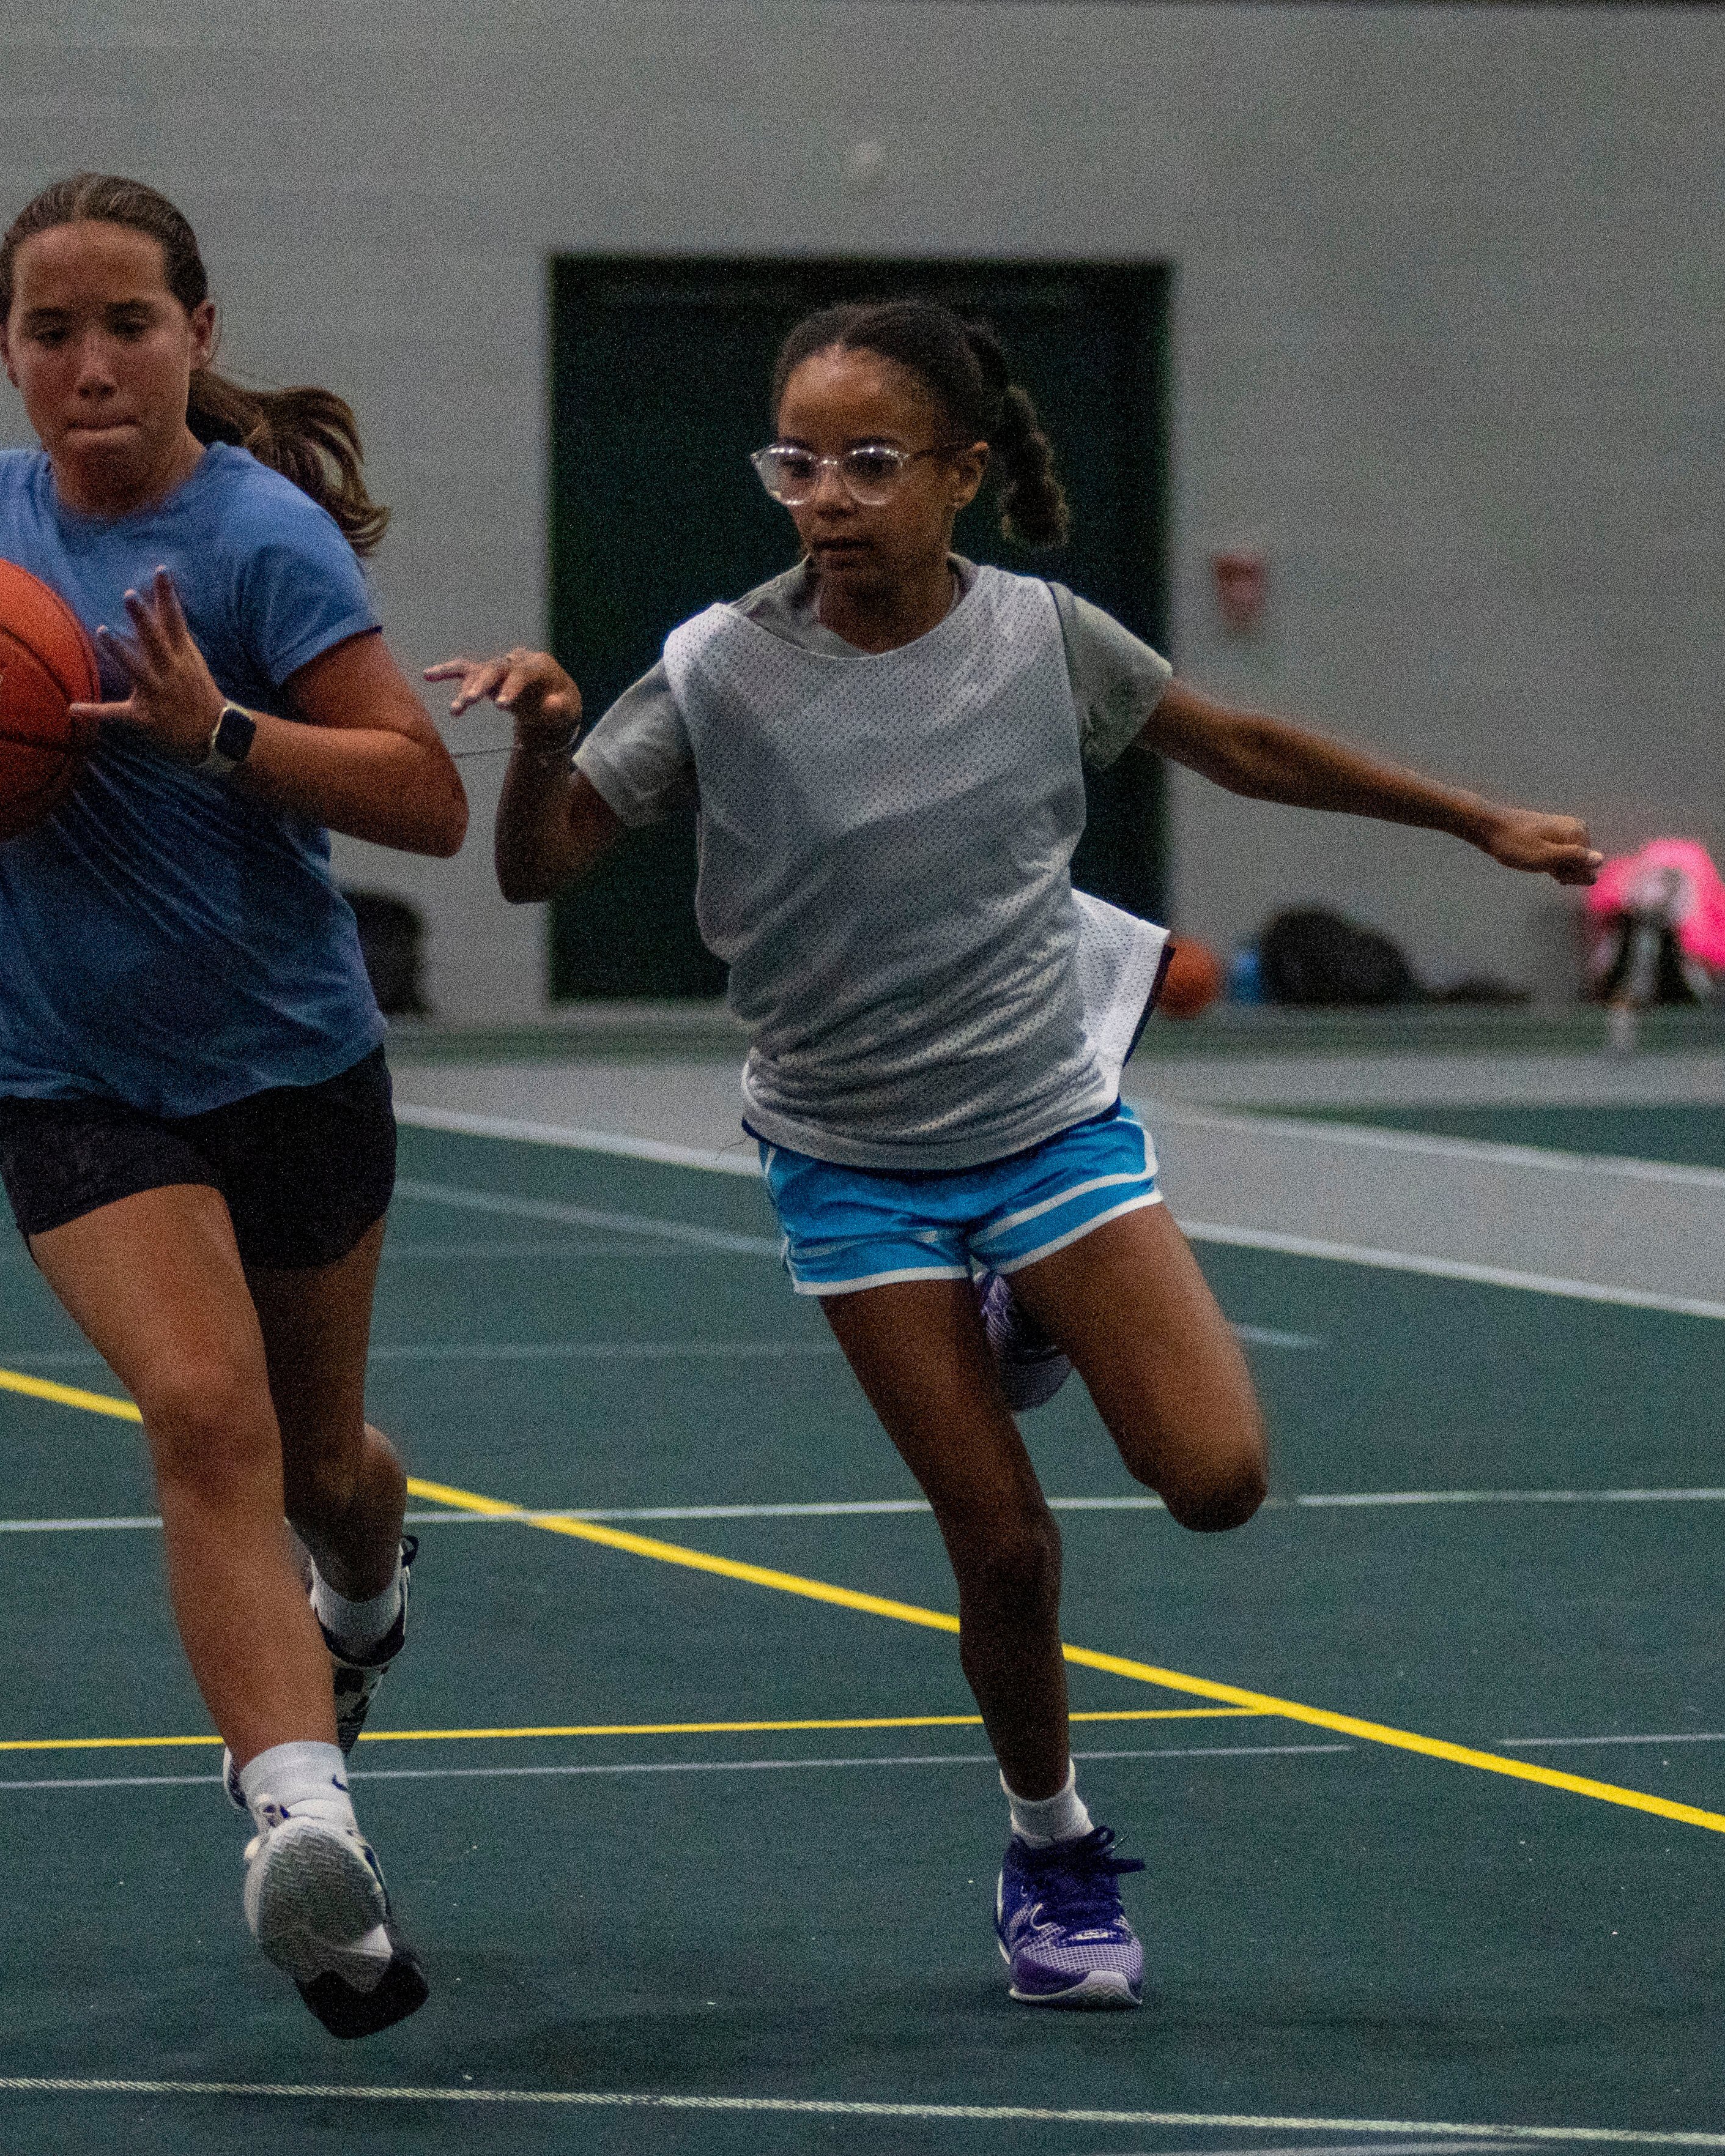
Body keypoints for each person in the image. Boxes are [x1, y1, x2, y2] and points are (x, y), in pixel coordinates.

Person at [436, 297, 1599, 2010]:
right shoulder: (718, 665)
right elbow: (539, 869)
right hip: (848, 1153)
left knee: (1216, 1476)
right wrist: (541, 735)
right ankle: (1051, 1850)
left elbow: (1246, 745)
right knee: (1004, 1542)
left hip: (1044, 1117)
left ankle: (1032, 1308)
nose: (827, 495)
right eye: (799, 461)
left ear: (963, 475)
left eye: (871, 461)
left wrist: (1474, 817)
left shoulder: (1044, 638)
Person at [0, 172, 465, 2035]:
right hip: (73, 1079)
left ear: (197, 336)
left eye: (127, 324)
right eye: (50, 330)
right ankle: (310, 1842)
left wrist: (216, 729)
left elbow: (423, 796)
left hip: (294, 1065)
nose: (89, 363)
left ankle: (367, 1598)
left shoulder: (264, 538)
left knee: (326, 1464)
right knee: (201, 1412)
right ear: (4, 349)